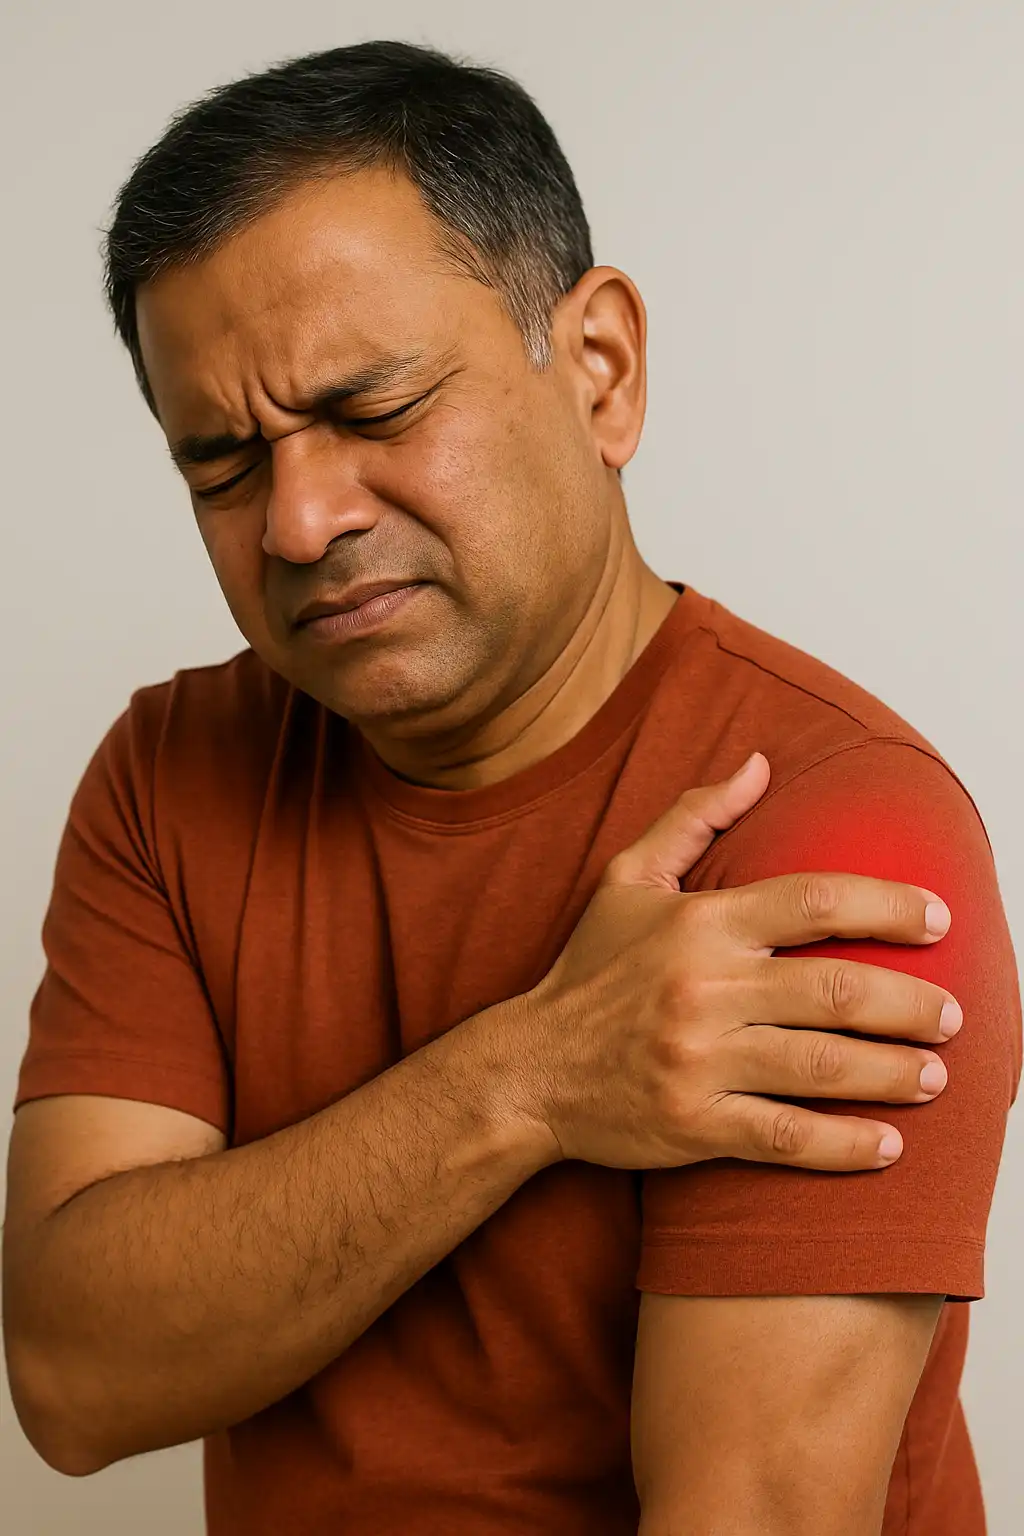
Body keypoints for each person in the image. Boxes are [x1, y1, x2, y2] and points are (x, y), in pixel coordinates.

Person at [3, 39, 1019, 1536]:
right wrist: (536, 1076)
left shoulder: (835, 832)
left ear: (599, 368)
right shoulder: (170, 771)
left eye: (376, 409)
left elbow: (752, 1518)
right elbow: (74, 1376)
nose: (297, 521)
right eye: (221, 465)